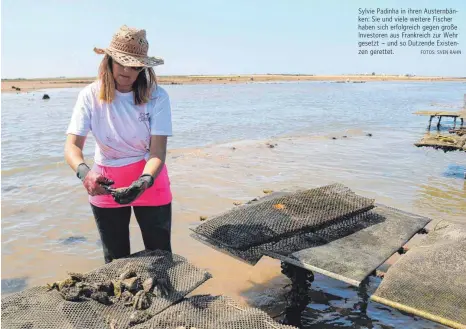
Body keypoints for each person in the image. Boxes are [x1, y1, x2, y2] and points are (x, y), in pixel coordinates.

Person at [64, 25, 173, 264]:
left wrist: (144, 181)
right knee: (115, 261)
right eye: (122, 62)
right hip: (105, 183)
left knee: (161, 258)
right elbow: (72, 147)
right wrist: (85, 174)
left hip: (149, 179)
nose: (127, 70)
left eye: (134, 65)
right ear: (109, 60)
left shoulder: (158, 97)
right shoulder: (89, 95)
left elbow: (157, 153)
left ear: (143, 67)